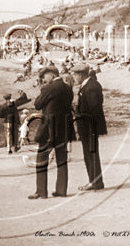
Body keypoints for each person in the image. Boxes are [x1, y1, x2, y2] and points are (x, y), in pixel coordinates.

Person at [28, 66, 74, 199]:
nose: (44, 80)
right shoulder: (67, 88)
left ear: (52, 76)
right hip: (64, 128)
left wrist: (42, 90)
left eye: (45, 77)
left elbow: (37, 104)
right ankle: (61, 190)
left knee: (42, 158)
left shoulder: (49, 88)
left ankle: (41, 191)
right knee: (62, 160)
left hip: (49, 129)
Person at [71, 63, 107, 191]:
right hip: (89, 127)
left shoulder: (90, 86)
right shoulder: (90, 84)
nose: (74, 78)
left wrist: (89, 125)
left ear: (81, 75)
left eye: (75, 75)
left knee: (90, 155)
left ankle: (95, 182)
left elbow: (94, 108)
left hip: (89, 127)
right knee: (91, 154)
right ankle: (95, 181)